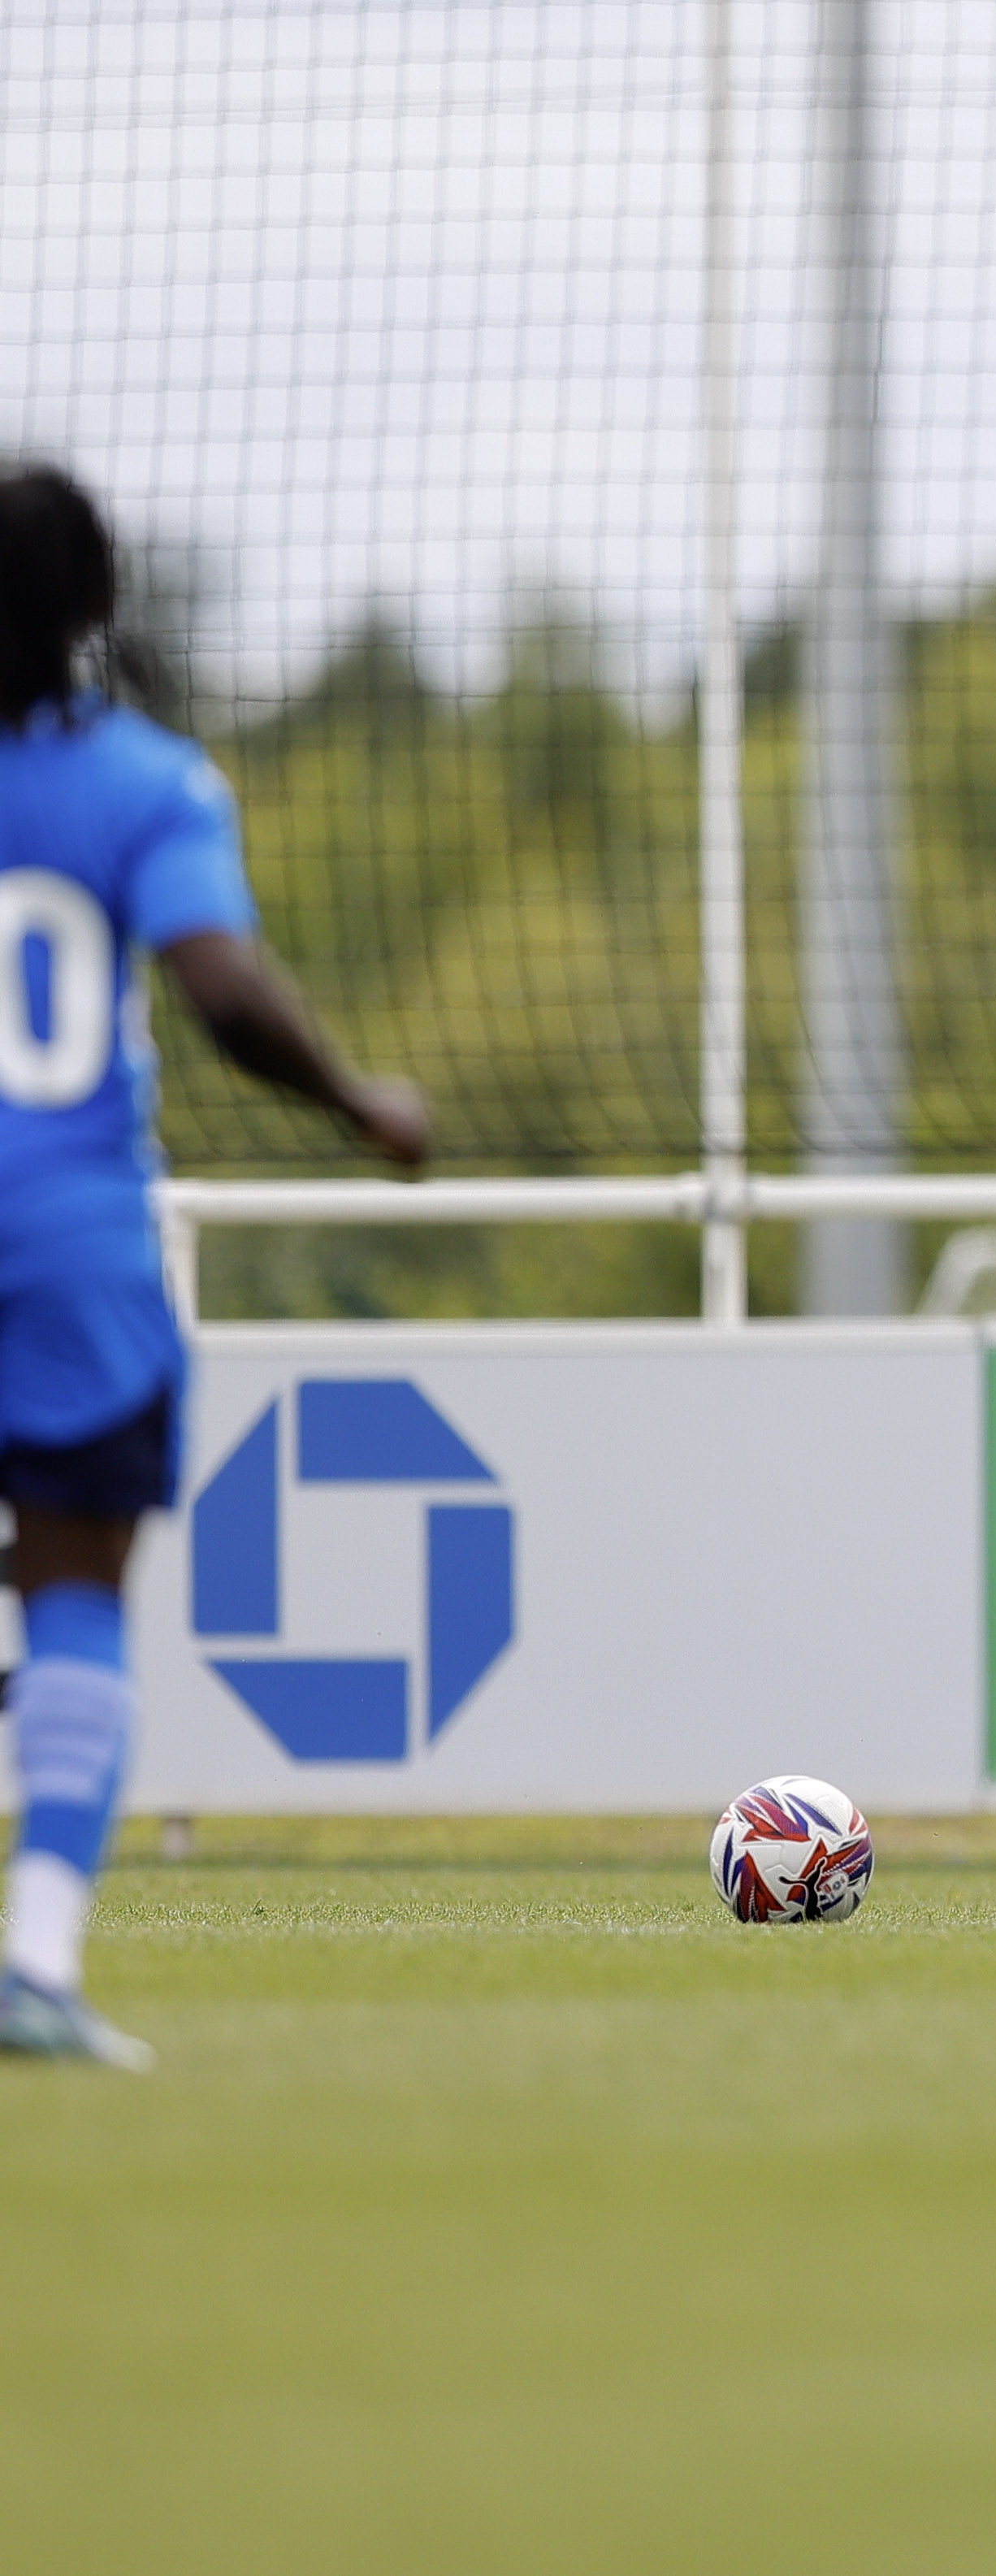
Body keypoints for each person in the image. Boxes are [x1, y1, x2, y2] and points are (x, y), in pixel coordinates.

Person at [1, 465, 431, 2066]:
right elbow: (227, 991)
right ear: (97, 608)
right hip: (69, 1247)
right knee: (75, 1589)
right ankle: (37, 1959)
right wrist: (361, 1101)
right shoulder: (145, 782)